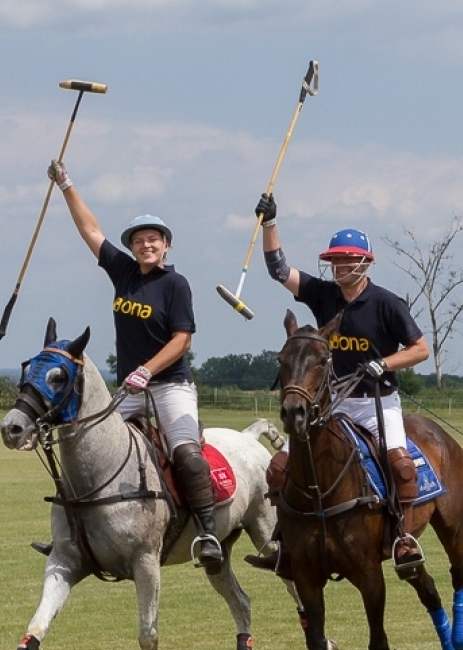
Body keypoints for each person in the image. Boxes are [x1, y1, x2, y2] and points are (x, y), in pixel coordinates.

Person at [47, 159, 223, 569]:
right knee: (84, 440)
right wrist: (66, 183)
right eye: (140, 240)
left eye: (154, 239)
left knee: (187, 455)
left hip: (170, 385)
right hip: (130, 388)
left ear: (166, 245)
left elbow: (182, 339)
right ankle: (74, 533)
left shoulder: (175, 284)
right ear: (132, 247)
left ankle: (209, 533)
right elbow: (90, 231)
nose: (147, 245)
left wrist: (148, 369)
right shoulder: (124, 273)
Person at [248, 197, 432, 577]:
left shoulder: (386, 303)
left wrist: (384, 362)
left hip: (377, 403)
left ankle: (402, 538)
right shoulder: (322, 294)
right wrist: (270, 223)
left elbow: (421, 349)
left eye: (347, 259)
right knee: (281, 468)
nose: (340, 266)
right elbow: (278, 269)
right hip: (331, 405)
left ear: (365, 262)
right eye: (334, 260)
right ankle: (285, 542)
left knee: (399, 464)